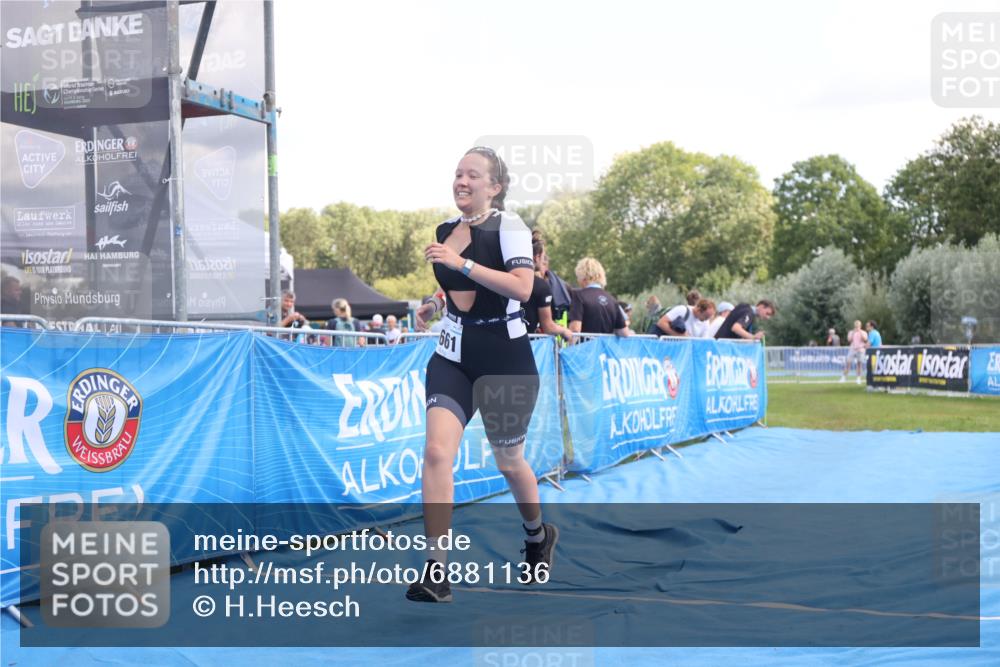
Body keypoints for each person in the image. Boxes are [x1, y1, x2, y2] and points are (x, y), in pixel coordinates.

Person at [408, 146, 555, 603]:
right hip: (453, 355)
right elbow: (455, 286)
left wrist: (461, 264)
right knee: (436, 452)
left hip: (505, 359)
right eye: (457, 173)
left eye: (473, 175)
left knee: (509, 462)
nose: (461, 181)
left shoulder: (509, 227)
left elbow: (522, 287)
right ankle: (436, 570)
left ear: (495, 186)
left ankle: (537, 535)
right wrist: (434, 303)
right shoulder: (446, 230)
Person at [521, 232, 573, 342]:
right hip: (527, 344)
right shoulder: (541, 286)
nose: (544, 260)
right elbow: (548, 326)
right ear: (537, 257)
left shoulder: (506, 277)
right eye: (543, 256)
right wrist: (565, 331)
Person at [567, 257, 631, 337]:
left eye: (578, 277)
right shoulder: (612, 300)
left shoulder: (578, 296)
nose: (578, 281)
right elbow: (624, 333)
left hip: (585, 347)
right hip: (604, 348)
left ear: (583, 277)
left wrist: (569, 347)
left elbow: (575, 329)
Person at [841, 319, 868, 384]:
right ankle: (844, 377)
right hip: (852, 349)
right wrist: (853, 332)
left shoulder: (863, 332)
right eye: (856, 326)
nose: (856, 327)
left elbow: (865, 339)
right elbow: (849, 340)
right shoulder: (851, 332)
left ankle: (858, 378)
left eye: (858, 326)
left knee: (859, 364)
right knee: (848, 363)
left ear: (860, 326)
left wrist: (860, 332)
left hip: (860, 350)